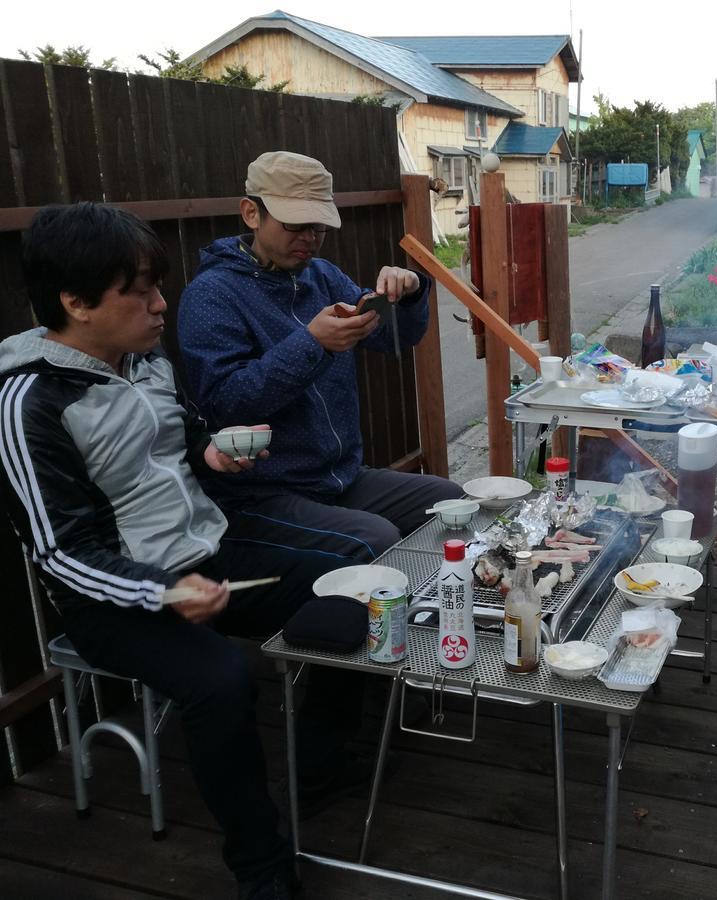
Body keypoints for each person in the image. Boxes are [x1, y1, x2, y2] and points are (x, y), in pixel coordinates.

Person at [0, 203, 363, 900]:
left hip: (205, 548)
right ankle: (262, 868)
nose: (162, 304)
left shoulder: (143, 359)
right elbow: (58, 551)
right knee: (223, 679)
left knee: (353, 578)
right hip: (111, 597)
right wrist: (161, 592)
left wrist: (210, 450)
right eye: (139, 290)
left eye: (157, 285)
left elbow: (185, 434)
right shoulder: (30, 402)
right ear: (75, 302)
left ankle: (317, 769)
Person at [177, 151, 460, 562]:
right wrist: (314, 343)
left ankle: (441, 611)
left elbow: (393, 338)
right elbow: (226, 402)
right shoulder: (211, 295)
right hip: (262, 493)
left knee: (451, 503)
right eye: (296, 224)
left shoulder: (322, 276)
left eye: (319, 226)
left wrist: (410, 291)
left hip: (339, 479)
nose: (310, 236)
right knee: (376, 540)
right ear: (251, 213)